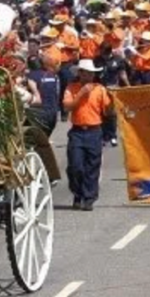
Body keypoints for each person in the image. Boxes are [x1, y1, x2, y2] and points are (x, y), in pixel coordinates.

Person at [63, 59, 112, 211]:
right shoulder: (72, 88)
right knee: (75, 166)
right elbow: (67, 107)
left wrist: (113, 102)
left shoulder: (100, 89)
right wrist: (81, 94)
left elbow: (108, 112)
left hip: (94, 130)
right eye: (86, 73)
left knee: (92, 166)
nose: (89, 77)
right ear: (80, 73)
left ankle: (89, 198)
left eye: (92, 74)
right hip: (77, 131)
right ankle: (77, 193)